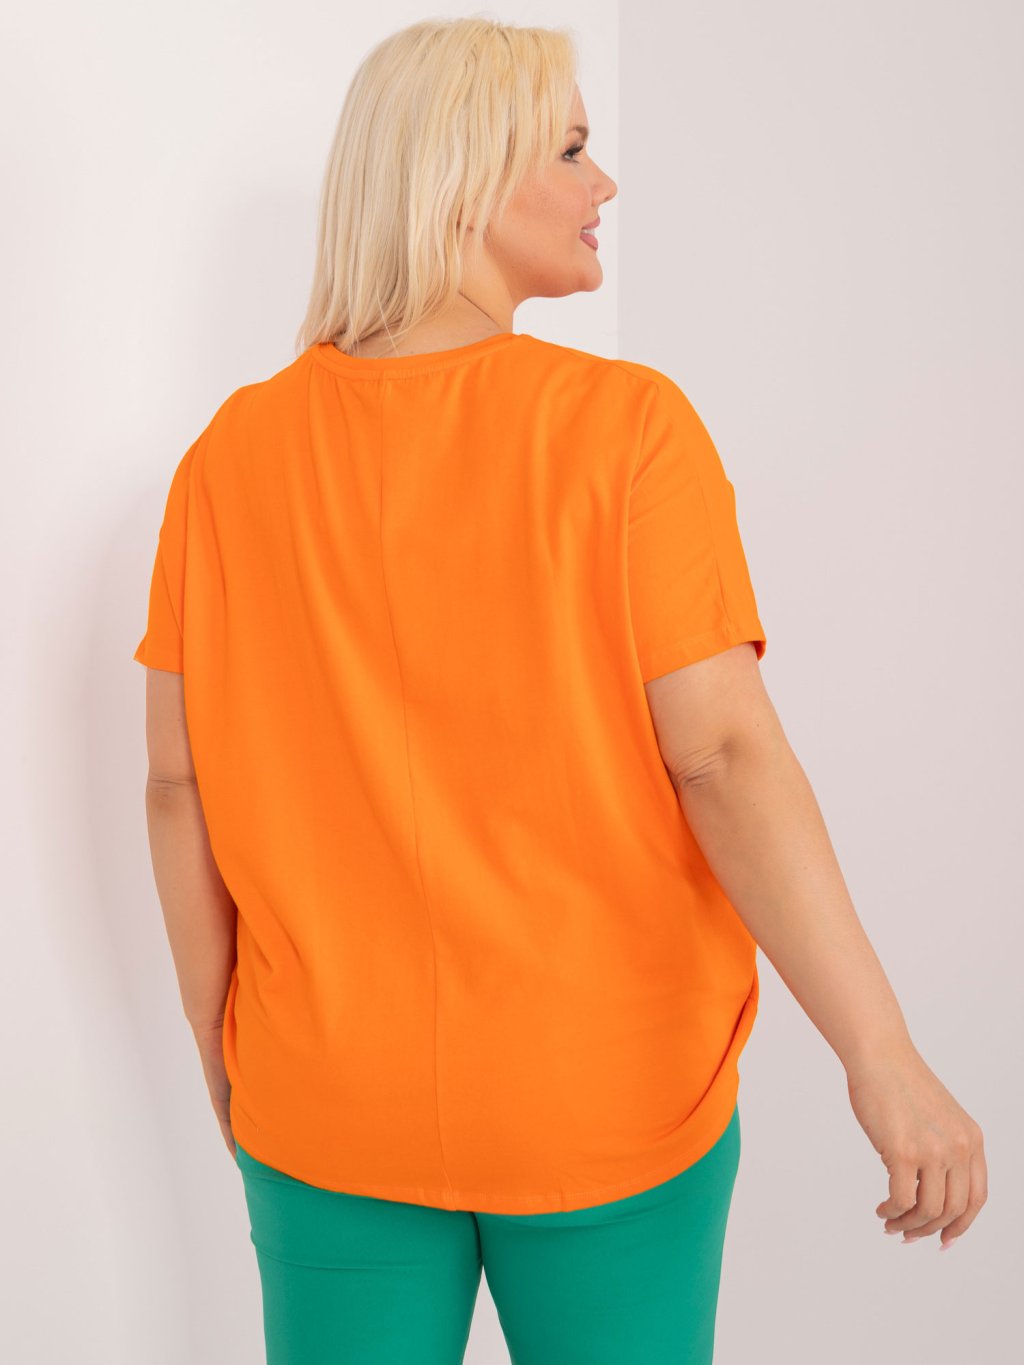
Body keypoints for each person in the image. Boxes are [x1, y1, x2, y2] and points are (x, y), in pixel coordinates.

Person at [133, 16, 987, 1365]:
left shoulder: (227, 460)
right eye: (573, 150)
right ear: (463, 179)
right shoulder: (626, 429)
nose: (607, 184)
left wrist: (218, 1037)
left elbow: (178, 786)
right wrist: (880, 1053)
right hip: (606, 1092)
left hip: (325, 1095)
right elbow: (722, 756)